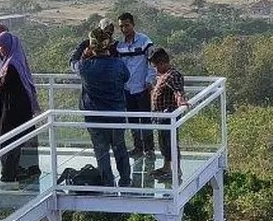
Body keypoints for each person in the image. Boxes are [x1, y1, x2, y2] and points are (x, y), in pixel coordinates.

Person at [77, 27, 131, 188]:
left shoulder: (85, 67)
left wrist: (84, 54)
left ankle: (107, 184)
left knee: (101, 152)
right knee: (120, 148)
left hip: (94, 116)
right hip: (117, 114)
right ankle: (126, 181)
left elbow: (74, 64)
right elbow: (126, 77)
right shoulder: (118, 64)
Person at [0, 31, 41, 190]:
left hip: (13, 108)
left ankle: (8, 176)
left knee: (8, 138)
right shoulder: (15, 60)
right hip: (20, 107)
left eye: (1, 46)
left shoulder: (11, 65)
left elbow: (5, 86)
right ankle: (28, 170)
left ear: (8, 46)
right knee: (22, 137)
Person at [117, 12, 156, 159]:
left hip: (142, 87)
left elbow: (152, 61)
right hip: (127, 88)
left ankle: (149, 149)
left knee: (145, 119)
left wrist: (150, 79)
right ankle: (137, 147)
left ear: (133, 24)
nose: (124, 29)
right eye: (121, 26)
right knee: (132, 119)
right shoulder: (120, 45)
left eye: (127, 25)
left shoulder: (144, 41)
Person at [149, 48, 189, 181]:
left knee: (171, 143)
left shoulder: (172, 75)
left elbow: (178, 91)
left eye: (156, 66)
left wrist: (182, 101)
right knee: (163, 143)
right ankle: (166, 167)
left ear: (162, 63)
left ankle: (176, 171)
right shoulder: (163, 75)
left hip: (169, 115)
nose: (155, 69)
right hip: (161, 116)